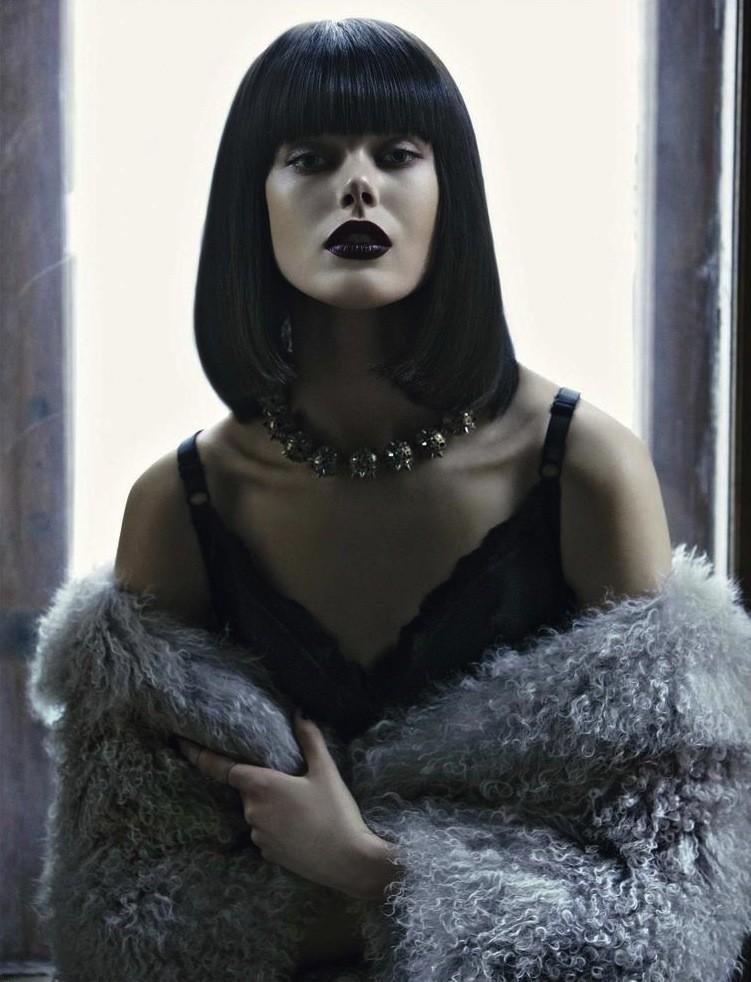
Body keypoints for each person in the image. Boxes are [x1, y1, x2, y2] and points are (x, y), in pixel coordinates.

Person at [113, 16, 673, 975]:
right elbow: (125, 900)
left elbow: (672, 897)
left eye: (398, 153)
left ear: (449, 190)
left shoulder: (583, 468)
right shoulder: (183, 499)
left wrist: (368, 871)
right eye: (310, 158)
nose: (357, 185)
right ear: (252, 200)